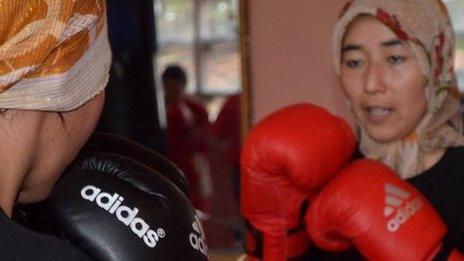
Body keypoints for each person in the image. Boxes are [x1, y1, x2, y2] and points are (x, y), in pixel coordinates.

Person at [305, 0, 464, 259]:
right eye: (355, 62)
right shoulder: (324, 180)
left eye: (395, 58)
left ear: (434, 67)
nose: (371, 84)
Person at [162, 65, 213, 211]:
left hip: (193, 166)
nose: (172, 92)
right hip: (169, 165)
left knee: (197, 209)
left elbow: (203, 139)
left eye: (176, 87)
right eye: (168, 87)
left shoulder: (196, 109)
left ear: (183, 86)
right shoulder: (160, 110)